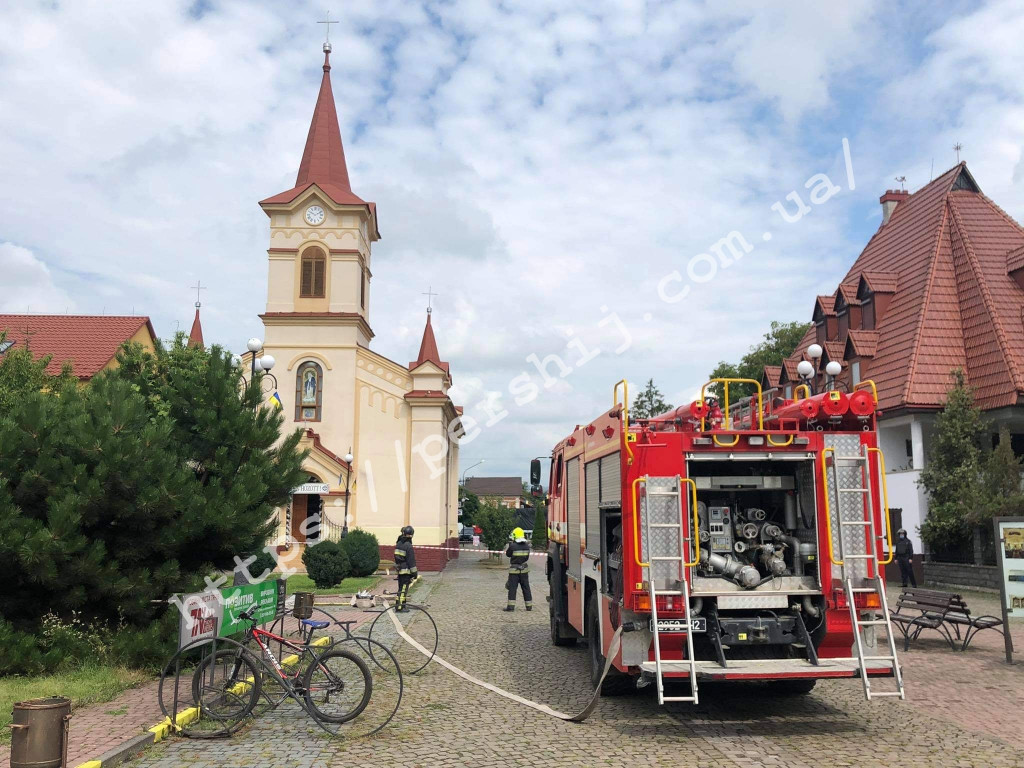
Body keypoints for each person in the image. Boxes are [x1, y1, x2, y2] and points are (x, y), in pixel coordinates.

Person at [504, 527, 533, 612]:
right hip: (524, 570)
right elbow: (527, 557)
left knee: (512, 588)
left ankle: (511, 607)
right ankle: (529, 606)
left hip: (514, 571)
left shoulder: (513, 546)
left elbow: (508, 554)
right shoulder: (527, 546)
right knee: (526, 587)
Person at [394, 525, 417, 612]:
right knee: (403, 590)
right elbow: (411, 561)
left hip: (400, 570)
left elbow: (396, 557)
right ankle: (400, 607)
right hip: (406, 571)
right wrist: (414, 573)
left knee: (400, 589)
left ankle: (402, 605)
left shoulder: (398, 543)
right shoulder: (408, 546)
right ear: (411, 534)